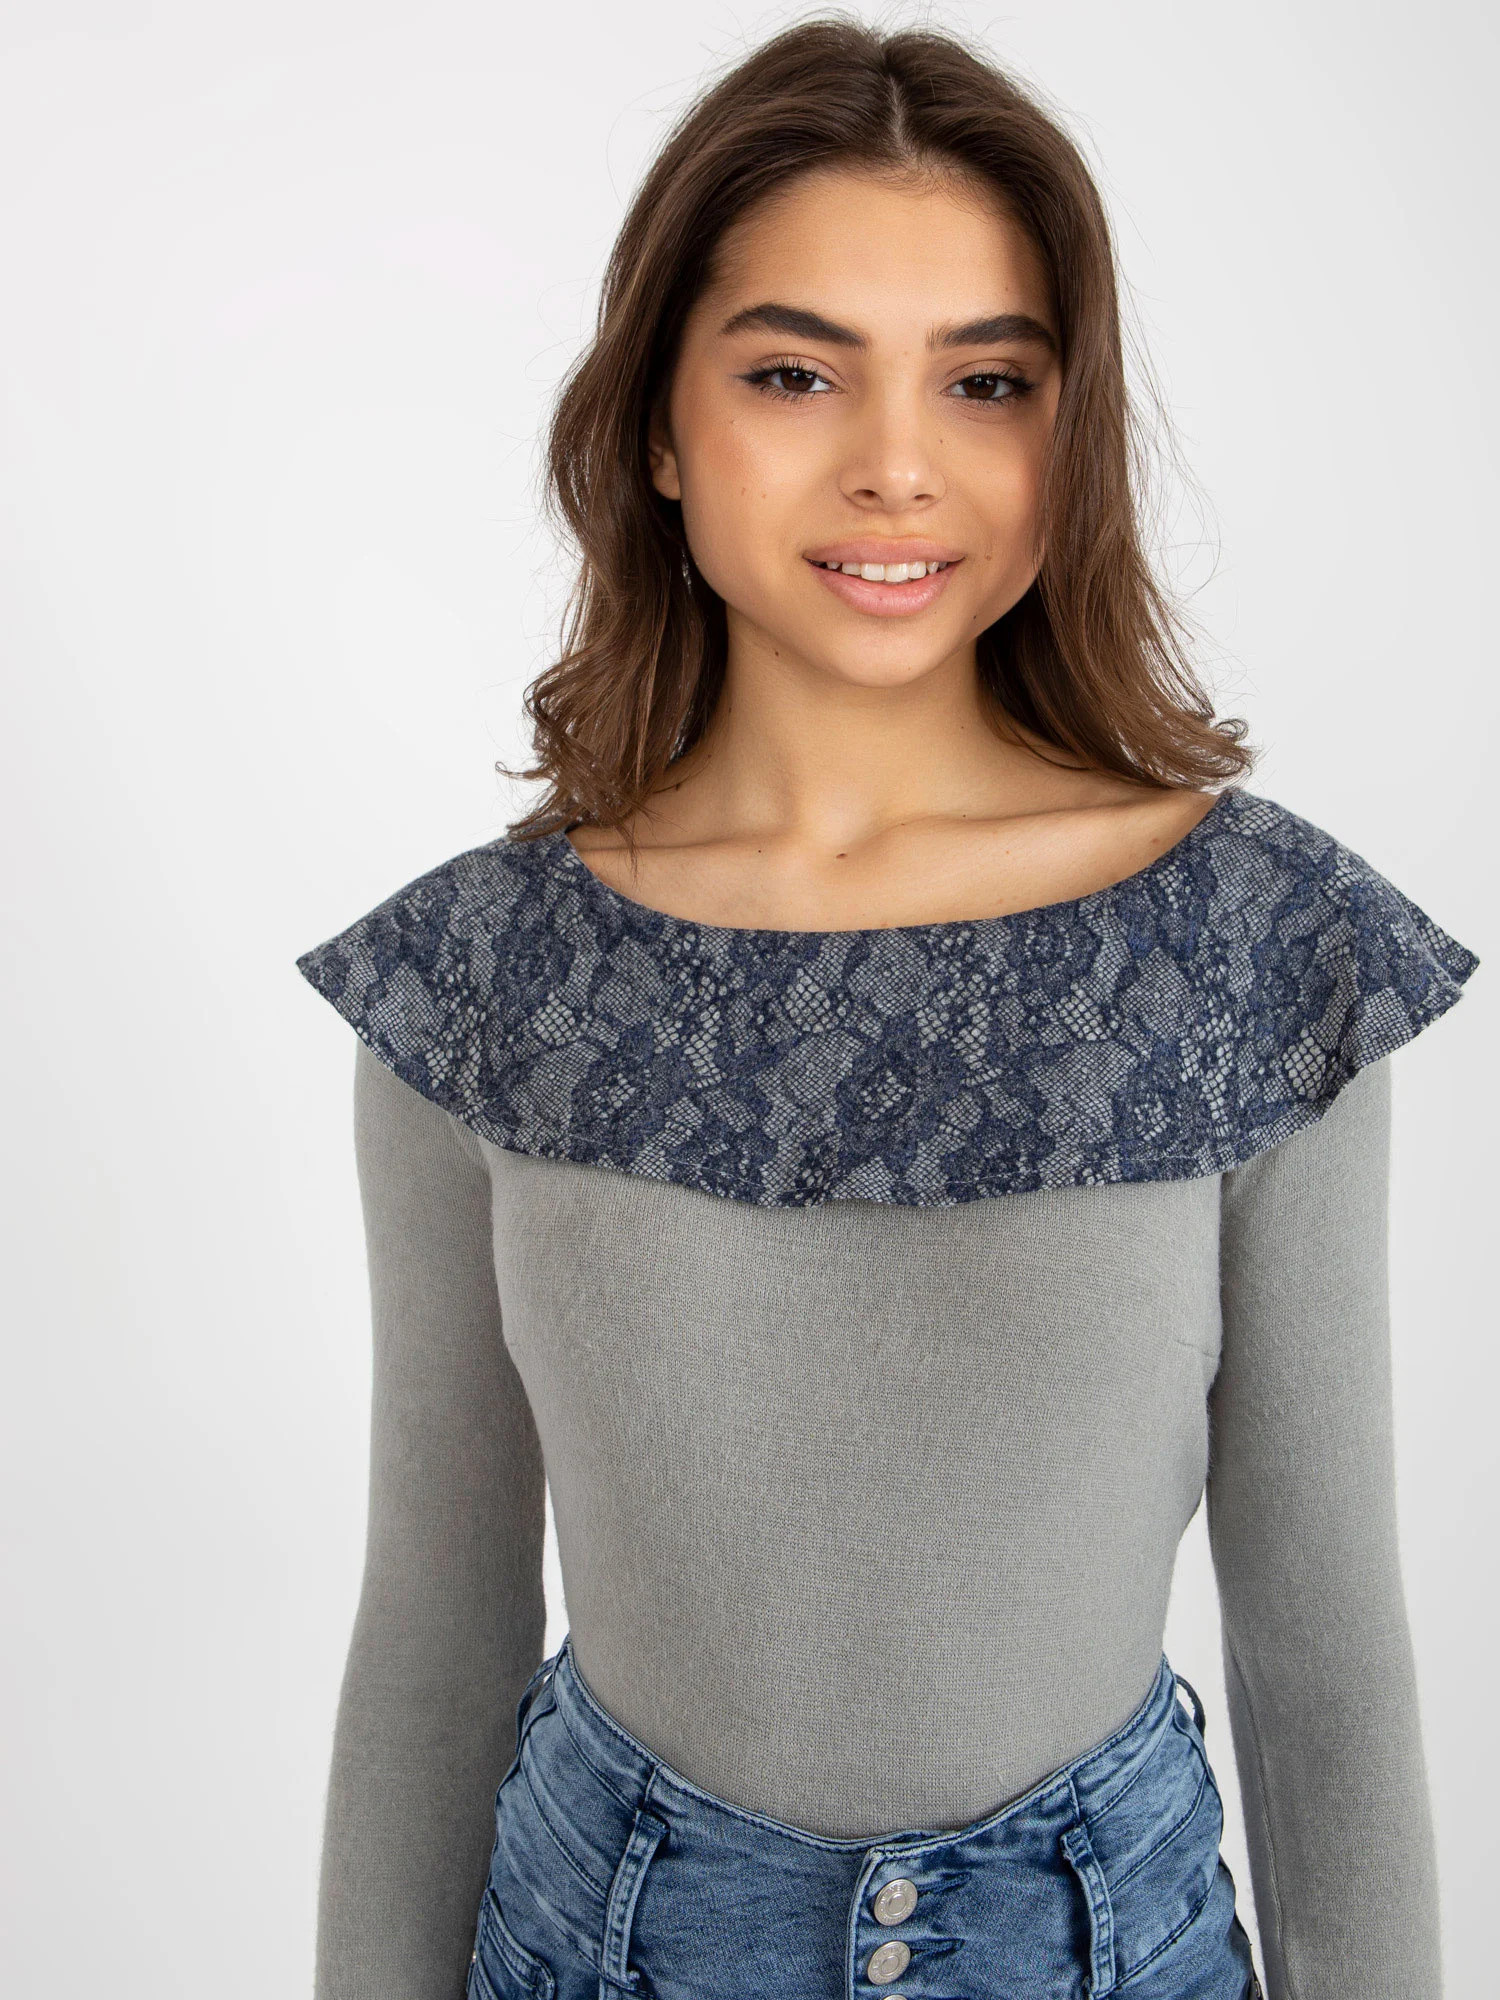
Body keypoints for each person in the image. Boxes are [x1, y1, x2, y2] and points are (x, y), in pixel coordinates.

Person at [294, 20, 1479, 2000]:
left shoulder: (1255, 949)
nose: (899, 463)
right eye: (794, 372)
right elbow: (435, 1634)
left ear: (1067, 433)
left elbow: (1324, 1656)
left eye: (987, 381)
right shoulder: (481, 980)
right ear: (657, 426)